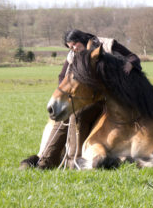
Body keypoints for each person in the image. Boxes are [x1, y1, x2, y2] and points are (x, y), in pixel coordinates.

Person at [20, 29, 142, 170]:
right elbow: (62, 77)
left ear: (81, 39)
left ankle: (73, 159)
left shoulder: (107, 44)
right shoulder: (73, 56)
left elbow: (133, 57)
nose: (73, 49)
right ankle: (46, 160)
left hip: (114, 98)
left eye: (74, 45)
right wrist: (66, 93)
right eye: (70, 47)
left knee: (78, 114)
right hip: (88, 97)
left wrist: (129, 64)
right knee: (67, 115)